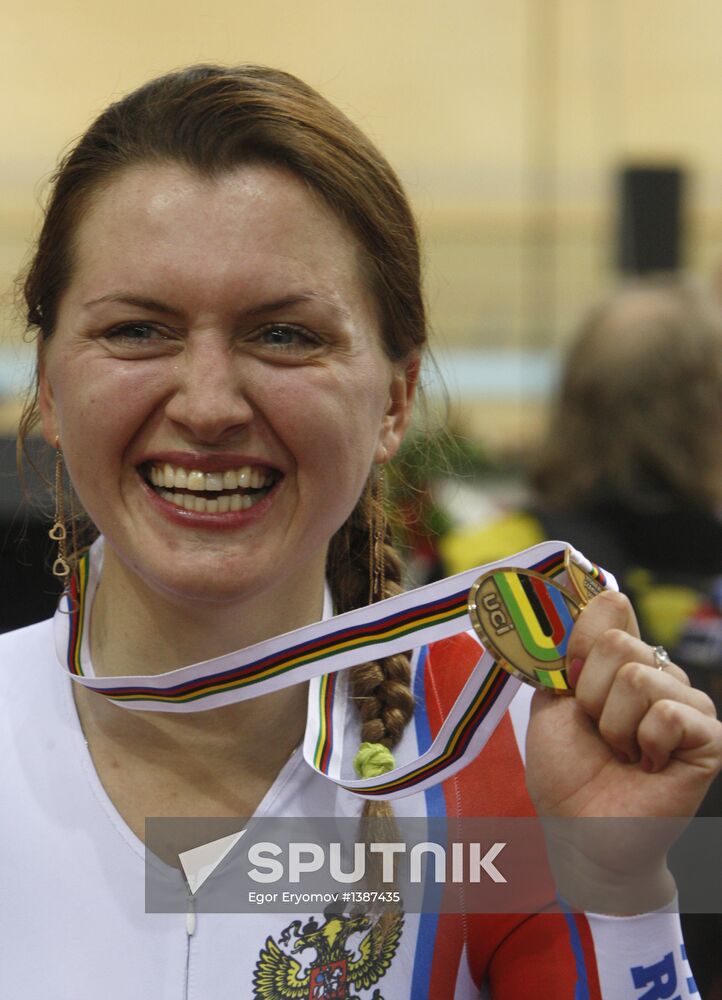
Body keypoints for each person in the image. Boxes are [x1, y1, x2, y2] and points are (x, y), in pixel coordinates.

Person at [1, 67, 720, 999]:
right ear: (50, 387)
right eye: (139, 330)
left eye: (285, 335)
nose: (210, 405)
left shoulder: (506, 763)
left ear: (395, 398)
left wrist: (616, 888)